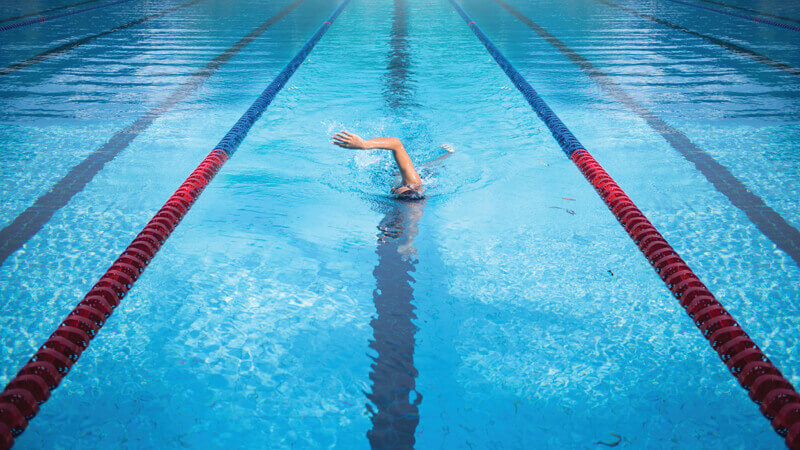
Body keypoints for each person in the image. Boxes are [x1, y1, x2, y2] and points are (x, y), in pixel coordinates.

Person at [332, 131, 425, 199]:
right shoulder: (413, 181)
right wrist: (364, 144)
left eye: (394, 190)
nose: (393, 188)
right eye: (398, 187)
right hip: (420, 171)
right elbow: (396, 143)